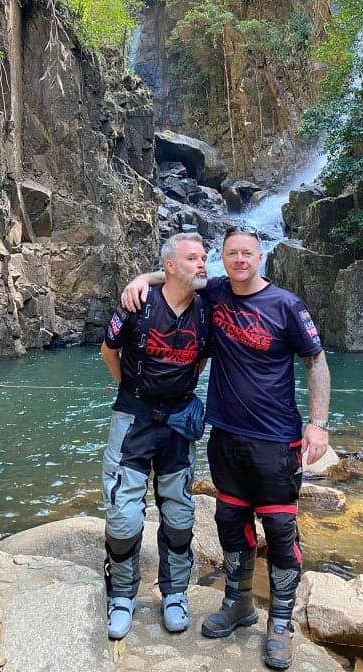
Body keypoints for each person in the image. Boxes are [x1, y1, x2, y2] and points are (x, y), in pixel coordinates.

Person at [121, 227, 330, 670]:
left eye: (247, 253)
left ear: (260, 257)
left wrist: (318, 425)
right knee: (230, 522)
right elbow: (174, 276)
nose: (240, 260)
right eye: (232, 253)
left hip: (276, 438)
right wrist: (139, 280)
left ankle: (281, 622)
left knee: (279, 531)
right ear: (222, 258)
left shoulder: (287, 305)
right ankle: (238, 603)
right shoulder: (214, 292)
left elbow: (315, 362)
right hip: (226, 435)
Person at [100, 232, 210, 640]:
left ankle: (175, 593)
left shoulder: (207, 308)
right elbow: (108, 350)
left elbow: (200, 361)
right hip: (133, 420)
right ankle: (122, 596)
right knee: (124, 515)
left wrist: (178, 394)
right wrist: (132, 390)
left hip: (178, 424)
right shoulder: (137, 302)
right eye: (193, 258)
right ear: (169, 266)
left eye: (203, 257)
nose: (202, 263)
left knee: (179, 515)